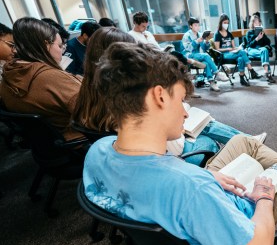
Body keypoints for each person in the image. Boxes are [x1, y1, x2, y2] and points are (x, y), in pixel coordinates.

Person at [83, 42, 277, 245]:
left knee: (242, 141)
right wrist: (263, 197)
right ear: (160, 97)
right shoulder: (191, 188)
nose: (185, 112)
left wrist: (209, 177)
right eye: (181, 99)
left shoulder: (98, 151)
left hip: (175, 214)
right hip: (219, 242)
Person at [72, 27, 266, 166]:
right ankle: (248, 143)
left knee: (201, 124)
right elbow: (170, 147)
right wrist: (181, 130)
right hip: (167, 159)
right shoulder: (129, 99)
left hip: (131, 164)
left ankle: (248, 142)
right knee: (207, 137)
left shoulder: (86, 91)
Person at [0, 17, 82, 140]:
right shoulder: (52, 78)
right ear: (46, 45)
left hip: (46, 144)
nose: (62, 52)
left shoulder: (8, 75)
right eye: (60, 46)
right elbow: (93, 113)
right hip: (77, 139)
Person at [213, 14, 254, 87]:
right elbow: (217, 49)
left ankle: (242, 78)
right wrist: (228, 49)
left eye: (227, 23)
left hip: (232, 53)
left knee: (241, 58)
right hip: (224, 55)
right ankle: (251, 70)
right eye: (225, 22)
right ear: (221, 23)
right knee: (242, 52)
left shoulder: (229, 34)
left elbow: (233, 47)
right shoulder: (217, 34)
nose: (226, 24)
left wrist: (237, 48)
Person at [181, 17, 221, 92]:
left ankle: (211, 82)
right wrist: (198, 41)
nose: (198, 27)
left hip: (198, 56)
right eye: (195, 25)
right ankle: (217, 72)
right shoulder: (186, 36)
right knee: (205, 56)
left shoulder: (200, 34)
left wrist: (206, 42)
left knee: (206, 63)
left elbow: (205, 48)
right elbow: (187, 48)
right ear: (190, 26)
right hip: (189, 56)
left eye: (198, 25)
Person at [245, 14, 276, 83]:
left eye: (258, 22)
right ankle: (268, 74)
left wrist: (263, 36)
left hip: (260, 50)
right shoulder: (249, 33)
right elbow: (249, 45)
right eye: (254, 22)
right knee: (264, 52)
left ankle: (266, 72)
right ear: (252, 23)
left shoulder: (261, 32)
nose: (256, 23)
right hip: (251, 50)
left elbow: (268, 42)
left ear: (260, 23)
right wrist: (257, 39)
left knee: (264, 50)